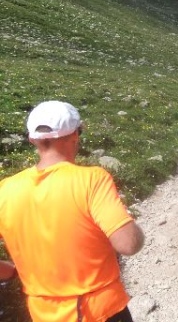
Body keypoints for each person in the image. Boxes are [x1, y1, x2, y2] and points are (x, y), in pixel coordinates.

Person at [0, 100, 145, 322]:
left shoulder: (5, 189)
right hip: (100, 311)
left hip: (42, 314)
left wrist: (10, 270)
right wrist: (132, 227)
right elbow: (128, 244)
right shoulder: (92, 180)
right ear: (76, 134)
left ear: (32, 139)